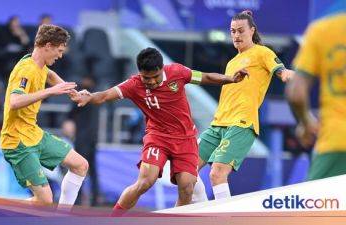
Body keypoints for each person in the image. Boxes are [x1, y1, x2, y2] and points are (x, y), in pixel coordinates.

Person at [70, 47, 248, 215]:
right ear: (140, 73)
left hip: (185, 139)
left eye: (156, 76)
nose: (153, 82)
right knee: (146, 181)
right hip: (158, 137)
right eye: (147, 78)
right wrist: (89, 97)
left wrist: (230, 78)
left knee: (187, 187)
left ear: (162, 68)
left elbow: (206, 77)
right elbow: (105, 95)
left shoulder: (177, 72)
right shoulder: (134, 85)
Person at [191, 10, 294, 203]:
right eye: (233, 31)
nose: (236, 35)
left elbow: (280, 70)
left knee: (217, 174)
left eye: (240, 31)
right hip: (218, 125)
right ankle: (204, 211)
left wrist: (286, 73)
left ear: (252, 31)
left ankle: (224, 218)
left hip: (241, 124)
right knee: (185, 169)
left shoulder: (262, 52)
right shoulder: (231, 62)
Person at [0, 24, 89, 207]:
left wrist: (71, 91)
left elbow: (50, 75)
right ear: (47, 46)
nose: (60, 55)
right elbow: (14, 102)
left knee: (81, 165)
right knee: (45, 201)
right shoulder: (26, 70)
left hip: (33, 134)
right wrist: (50, 92)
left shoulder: (39, 64)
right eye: (59, 50)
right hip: (17, 142)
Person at [286, 12, 346, 180]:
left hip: (337, 141)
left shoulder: (323, 30)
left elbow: (296, 92)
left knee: (319, 205)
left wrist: (306, 122)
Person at [66, 75, 102, 206]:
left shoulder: (87, 97)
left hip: (87, 138)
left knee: (83, 169)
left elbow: (70, 115)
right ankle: (85, 198)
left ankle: (89, 198)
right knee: (86, 169)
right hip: (86, 137)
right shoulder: (92, 98)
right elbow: (70, 115)